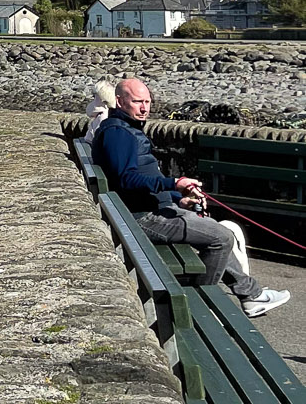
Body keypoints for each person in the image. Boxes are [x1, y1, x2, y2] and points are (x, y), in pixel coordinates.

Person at [92, 76, 289, 318]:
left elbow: (139, 178)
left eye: (148, 102)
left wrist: (178, 197)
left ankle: (251, 296)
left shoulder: (125, 128)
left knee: (213, 229)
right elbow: (126, 179)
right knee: (222, 237)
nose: (144, 108)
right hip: (140, 217)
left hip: (148, 208)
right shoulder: (118, 134)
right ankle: (197, 308)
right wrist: (174, 183)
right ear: (120, 102)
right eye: (137, 102)